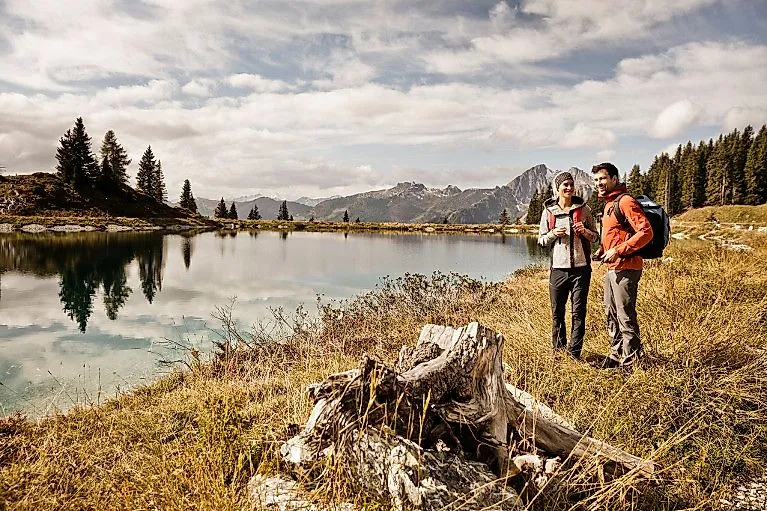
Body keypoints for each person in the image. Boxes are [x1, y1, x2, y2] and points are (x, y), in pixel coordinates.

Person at [591, 162, 653, 372]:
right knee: (611, 313)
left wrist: (618, 250)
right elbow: (614, 235)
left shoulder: (625, 201)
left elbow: (646, 232)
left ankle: (631, 363)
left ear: (614, 179)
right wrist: (602, 249)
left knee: (625, 315)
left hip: (627, 267)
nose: (599, 183)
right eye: (596, 180)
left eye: (603, 178)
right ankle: (616, 356)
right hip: (612, 269)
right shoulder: (609, 204)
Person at [537, 171, 599, 360]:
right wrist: (554, 233)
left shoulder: (584, 210)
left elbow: (596, 237)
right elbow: (541, 240)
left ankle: (574, 354)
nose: (569, 188)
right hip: (558, 270)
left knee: (579, 312)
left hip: (581, 270)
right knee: (557, 312)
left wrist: (585, 232)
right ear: (558, 188)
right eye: (565, 185)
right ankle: (558, 351)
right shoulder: (549, 211)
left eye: (571, 184)